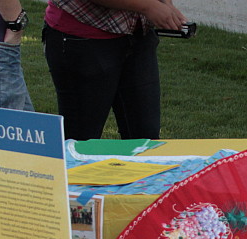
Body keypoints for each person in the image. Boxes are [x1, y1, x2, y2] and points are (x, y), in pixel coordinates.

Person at [42, 0, 187, 141]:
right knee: (81, 143)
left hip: (139, 36)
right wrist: (150, 6)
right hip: (83, 37)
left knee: (145, 140)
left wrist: (165, 4)